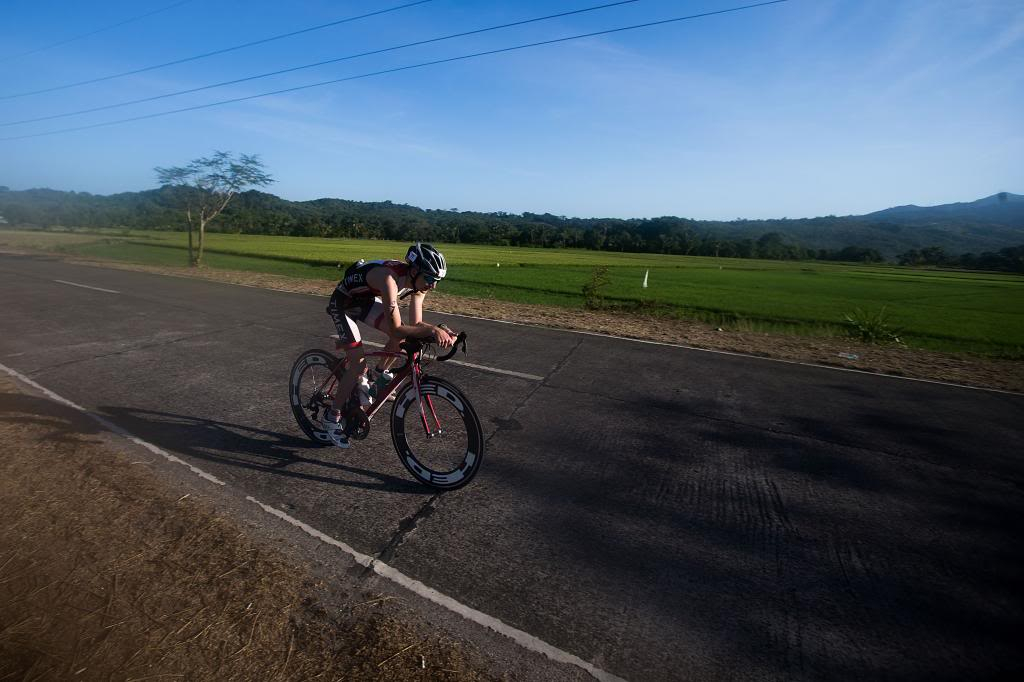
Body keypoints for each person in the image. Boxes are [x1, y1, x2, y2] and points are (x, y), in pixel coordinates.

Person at [322, 242, 455, 447]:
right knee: (358, 365)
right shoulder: (389, 279)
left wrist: (440, 330)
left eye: (437, 280)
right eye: (430, 278)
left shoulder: (418, 284)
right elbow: (395, 328)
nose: (433, 285)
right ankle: (332, 417)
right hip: (343, 304)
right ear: (414, 271)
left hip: (364, 301)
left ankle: (378, 375)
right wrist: (431, 330)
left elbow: (416, 324)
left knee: (403, 337)